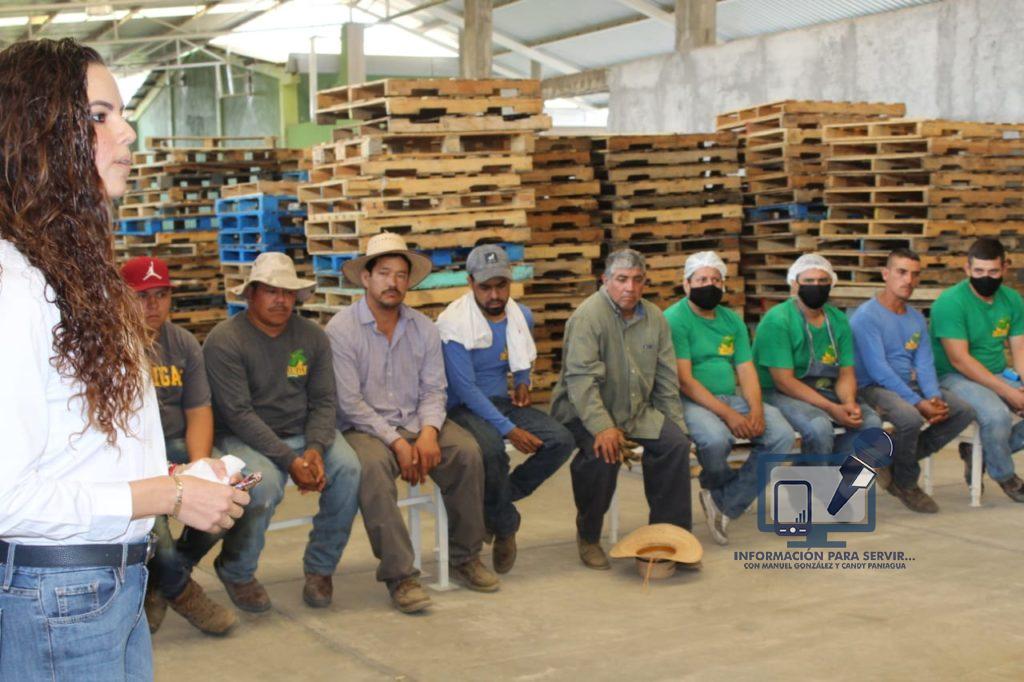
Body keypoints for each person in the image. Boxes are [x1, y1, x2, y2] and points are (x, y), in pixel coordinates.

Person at [0, 38, 247, 679]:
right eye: (98, 116)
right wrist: (169, 493)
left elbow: (76, 450)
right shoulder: (14, 287)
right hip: (59, 596)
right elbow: (7, 496)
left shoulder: (71, 274)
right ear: (38, 136)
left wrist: (182, 475)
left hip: (108, 586)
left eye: (122, 112)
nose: (128, 132)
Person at [328, 233, 497, 613]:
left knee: (467, 452)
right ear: (366, 278)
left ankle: (466, 556)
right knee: (371, 469)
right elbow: (350, 403)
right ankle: (400, 575)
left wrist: (430, 433)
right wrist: (398, 443)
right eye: (384, 273)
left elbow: (434, 389)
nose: (393, 282)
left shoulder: (423, 328)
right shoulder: (341, 330)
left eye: (401, 275)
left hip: (417, 419)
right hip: (365, 427)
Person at [203, 252, 361, 611]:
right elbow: (239, 414)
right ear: (251, 294)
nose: (281, 300)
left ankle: (321, 567)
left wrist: (315, 449)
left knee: (349, 469)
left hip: (303, 434)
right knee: (263, 486)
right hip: (242, 437)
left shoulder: (312, 336)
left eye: (288, 292)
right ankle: (237, 570)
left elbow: (324, 401)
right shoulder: (225, 340)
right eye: (271, 291)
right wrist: (291, 461)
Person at [551, 248, 693, 570]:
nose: (630, 287)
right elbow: (581, 381)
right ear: (605, 280)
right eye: (621, 279)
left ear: (645, 282)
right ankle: (588, 535)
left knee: (675, 446)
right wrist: (603, 426)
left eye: (637, 280)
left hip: (634, 410)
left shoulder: (655, 318)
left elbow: (666, 379)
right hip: (583, 411)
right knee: (603, 453)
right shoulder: (588, 317)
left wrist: (678, 426)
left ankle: (670, 538)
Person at [120, 255, 238, 636]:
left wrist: (201, 470)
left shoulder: (183, 344)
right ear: (122, 297)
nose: (153, 305)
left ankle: (160, 582)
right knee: (157, 529)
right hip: (135, 455)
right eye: (142, 296)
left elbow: (199, 411)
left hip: (176, 444)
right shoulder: (113, 346)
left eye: (161, 295)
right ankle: (184, 593)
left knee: (228, 495)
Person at [438, 244, 574, 573]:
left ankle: (494, 504)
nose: (495, 295)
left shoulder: (520, 315)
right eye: (486, 287)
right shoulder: (453, 324)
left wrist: (523, 382)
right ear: (470, 283)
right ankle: (506, 526)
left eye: (501, 286)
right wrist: (509, 429)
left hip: (501, 400)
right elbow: (465, 389)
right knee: (491, 450)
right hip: (461, 408)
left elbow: (523, 354)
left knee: (561, 440)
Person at [664, 252, 795, 545]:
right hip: (689, 399)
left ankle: (724, 501)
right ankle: (721, 491)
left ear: (723, 285)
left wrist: (755, 409)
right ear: (686, 284)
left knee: (782, 435)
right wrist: (729, 415)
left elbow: (745, 369)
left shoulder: (731, 320)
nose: (709, 285)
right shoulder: (674, 319)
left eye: (715, 279)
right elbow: (684, 380)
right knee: (715, 439)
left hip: (729, 396)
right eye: (701, 279)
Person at [849, 249, 974, 512]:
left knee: (962, 411)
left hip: (907, 384)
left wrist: (933, 397)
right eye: (901, 272)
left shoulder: (916, 318)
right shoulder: (866, 316)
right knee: (910, 418)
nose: (908, 280)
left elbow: (924, 363)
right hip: (873, 387)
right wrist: (918, 403)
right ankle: (906, 483)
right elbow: (878, 369)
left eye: (915, 274)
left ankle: (891, 459)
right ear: (885, 274)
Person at [752, 254, 883, 456]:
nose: (816, 286)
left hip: (824, 388)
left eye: (822, 281)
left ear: (831, 283)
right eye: (809, 281)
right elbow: (784, 381)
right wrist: (831, 408)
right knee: (819, 426)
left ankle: (832, 470)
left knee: (870, 423)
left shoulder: (838, 320)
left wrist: (848, 402)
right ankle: (814, 474)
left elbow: (846, 372)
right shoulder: (778, 320)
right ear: (795, 284)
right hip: (778, 392)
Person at [931, 238, 1024, 501]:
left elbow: (1020, 349)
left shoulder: (1012, 300)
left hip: (996, 372)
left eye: (993, 272)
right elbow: (960, 360)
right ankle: (1006, 476)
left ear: (1004, 268)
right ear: (967, 269)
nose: (986, 277)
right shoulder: (950, 303)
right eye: (979, 271)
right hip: (953, 376)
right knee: (996, 415)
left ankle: (978, 452)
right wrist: (1009, 392)